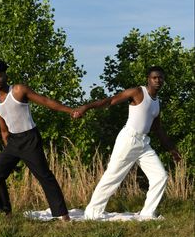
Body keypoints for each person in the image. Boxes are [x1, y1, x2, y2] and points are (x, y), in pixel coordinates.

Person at [74, 66, 181, 220]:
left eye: (161, 78)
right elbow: (110, 100)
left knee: (160, 176)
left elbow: (158, 129)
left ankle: (147, 214)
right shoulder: (137, 92)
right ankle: (92, 212)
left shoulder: (157, 103)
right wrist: (86, 107)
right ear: (148, 79)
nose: (158, 80)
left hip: (144, 143)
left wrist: (172, 149)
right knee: (113, 176)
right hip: (129, 140)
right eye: (154, 78)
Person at [0, 59, 78, 221]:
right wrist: (10, 154)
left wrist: (70, 111)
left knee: (44, 175)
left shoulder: (19, 90)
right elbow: (4, 131)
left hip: (30, 138)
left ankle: (63, 215)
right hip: (13, 143)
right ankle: (5, 213)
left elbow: (46, 102)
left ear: (5, 76)